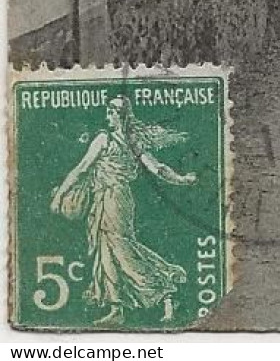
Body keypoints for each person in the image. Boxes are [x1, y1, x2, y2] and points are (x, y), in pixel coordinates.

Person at [50, 95, 194, 325]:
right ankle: (118, 308)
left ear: (120, 115)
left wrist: (59, 196)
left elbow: (81, 169)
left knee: (120, 249)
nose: (108, 114)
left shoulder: (104, 139)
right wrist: (182, 179)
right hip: (111, 198)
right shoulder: (131, 142)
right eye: (109, 110)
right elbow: (157, 168)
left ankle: (163, 288)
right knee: (109, 250)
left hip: (113, 199)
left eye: (112, 111)